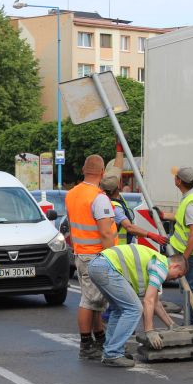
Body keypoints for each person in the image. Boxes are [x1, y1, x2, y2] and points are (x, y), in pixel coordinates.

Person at [88, 244, 188, 367]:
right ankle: (113, 353)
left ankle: (112, 351)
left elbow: (156, 303)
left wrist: (172, 325)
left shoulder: (157, 261)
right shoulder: (161, 267)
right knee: (134, 308)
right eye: (178, 275)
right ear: (175, 265)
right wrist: (149, 331)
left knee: (118, 310)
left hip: (98, 265)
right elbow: (148, 301)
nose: (174, 279)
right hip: (106, 268)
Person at [65, 154, 117, 360]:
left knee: (96, 300)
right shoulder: (99, 197)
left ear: (84, 171)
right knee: (89, 300)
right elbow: (105, 232)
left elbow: (71, 223)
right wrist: (112, 257)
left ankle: (99, 338)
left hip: (81, 253)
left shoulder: (72, 194)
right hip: (96, 255)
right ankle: (86, 344)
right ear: (102, 173)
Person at [156, 167, 193, 324]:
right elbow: (182, 217)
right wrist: (164, 215)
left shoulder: (191, 204)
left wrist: (184, 259)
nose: (174, 178)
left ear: (179, 181)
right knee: (188, 287)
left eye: (175, 177)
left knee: (188, 288)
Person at [102, 174, 168, 247]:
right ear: (118, 186)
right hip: (118, 247)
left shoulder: (114, 200)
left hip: (118, 246)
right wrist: (152, 235)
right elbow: (129, 227)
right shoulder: (115, 207)